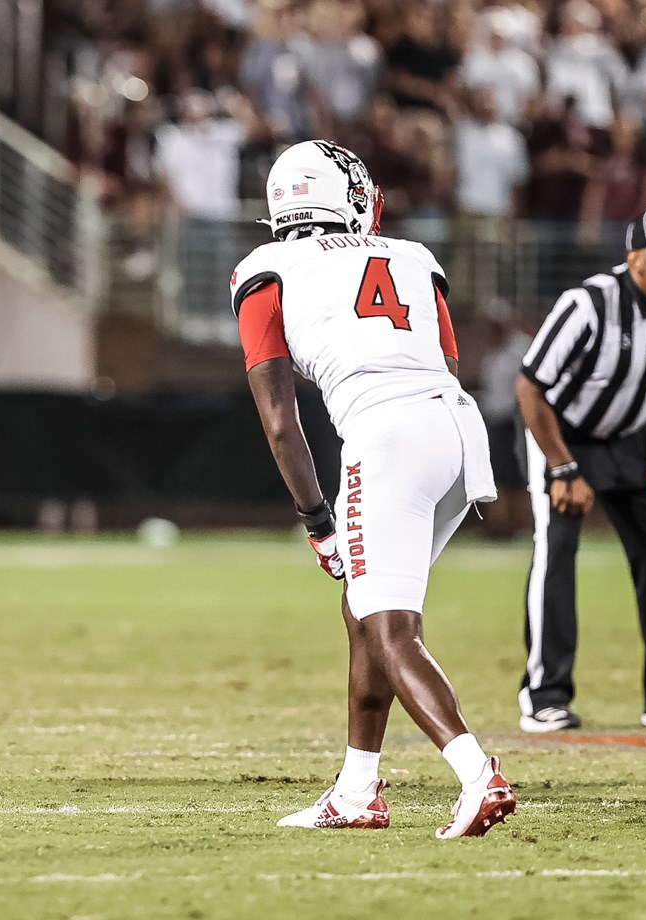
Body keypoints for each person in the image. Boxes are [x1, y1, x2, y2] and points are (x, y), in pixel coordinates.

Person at [232, 140, 514, 838]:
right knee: (364, 611)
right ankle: (358, 790)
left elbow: (278, 420)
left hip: (387, 438)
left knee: (388, 626)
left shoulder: (264, 269)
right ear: (349, 195)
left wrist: (315, 519)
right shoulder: (414, 257)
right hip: (457, 427)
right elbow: (444, 359)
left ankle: (479, 774)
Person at [516, 207, 646, 732]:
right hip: (564, 437)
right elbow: (530, 387)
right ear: (635, 260)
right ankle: (545, 696)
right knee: (557, 549)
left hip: (633, 439)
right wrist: (563, 468)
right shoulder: (588, 304)